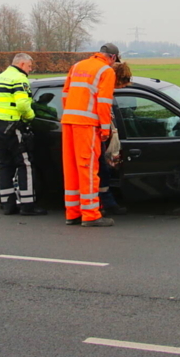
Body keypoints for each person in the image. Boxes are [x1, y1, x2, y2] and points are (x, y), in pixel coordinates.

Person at [61, 43, 120, 227]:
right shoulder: (106, 71)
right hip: (87, 126)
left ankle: (72, 213)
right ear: (113, 57)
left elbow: (65, 94)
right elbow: (103, 103)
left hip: (69, 122)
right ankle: (90, 214)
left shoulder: (77, 66)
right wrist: (104, 129)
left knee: (71, 169)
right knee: (88, 169)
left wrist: (71, 115)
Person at [0, 53, 47, 216]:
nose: (30, 69)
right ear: (21, 64)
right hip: (13, 126)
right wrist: (31, 117)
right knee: (25, 164)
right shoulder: (19, 79)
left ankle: (7, 204)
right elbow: (22, 104)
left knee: (5, 164)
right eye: (29, 66)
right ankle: (28, 205)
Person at [99, 59, 132, 216]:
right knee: (101, 172)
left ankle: (105, 203)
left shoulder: (103, 89)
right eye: (122, 86)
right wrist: (106, 132)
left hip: (95, 136)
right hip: (95, 137)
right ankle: (105, 204)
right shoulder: (103, 91)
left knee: (102, 172)